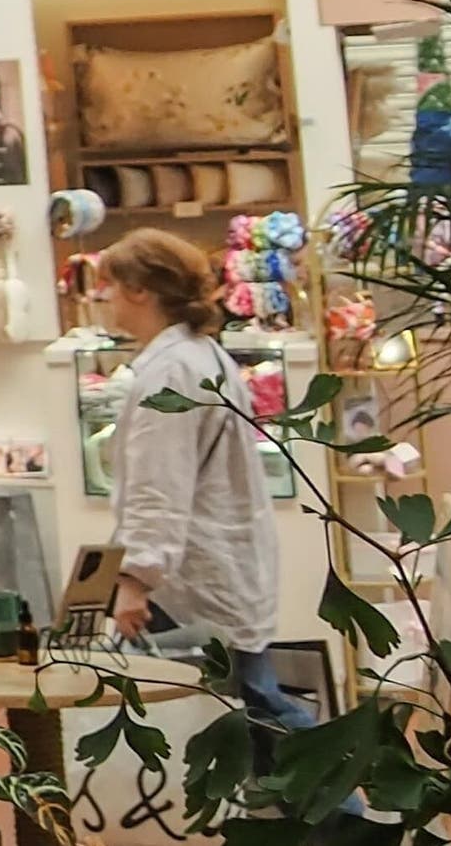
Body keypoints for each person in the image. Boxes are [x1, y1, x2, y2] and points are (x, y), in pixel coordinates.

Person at [95, 228, 299, 730]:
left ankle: (349, 780)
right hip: (218, 570)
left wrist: (135, 580)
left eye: (110, 285)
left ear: (139, 290)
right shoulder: (201, 355)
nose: (103, 297)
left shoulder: (169, 374)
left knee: (253, 714)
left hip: (191, 583)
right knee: (252, 706)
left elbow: (158, 487)